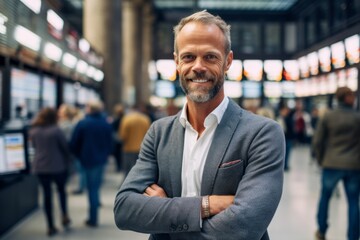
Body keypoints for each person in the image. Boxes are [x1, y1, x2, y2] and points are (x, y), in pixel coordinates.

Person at [114, 10, 285, 239]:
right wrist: (205, 206)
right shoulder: (159, 133)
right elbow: (125, 209)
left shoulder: (262, 133)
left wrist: (167, 212)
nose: (198, 66)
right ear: (176, 61)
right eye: (188, 57)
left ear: (228, 61)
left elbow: (245, 226)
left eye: (210, 57)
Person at [312, 86, 360, 240]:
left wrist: (320, 159)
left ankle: (322, 230)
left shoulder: (328, 116)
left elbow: (318, 141)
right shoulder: (357, 118)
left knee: (325, 197)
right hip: (353, 165)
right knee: (353, 201)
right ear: (346, 98)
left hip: (331, 163)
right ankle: (353, 236)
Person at [29, 107, 72, 236]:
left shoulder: (34, 131)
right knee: (61, 192)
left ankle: (50, 225)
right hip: (57, 166)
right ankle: (64, 215)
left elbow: (34, 147)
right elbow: (64, 147)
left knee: (47, 196)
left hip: (41, 167)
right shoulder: (56, 130)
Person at [70, 100, 113, 227]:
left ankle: (93, 218)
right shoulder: (105, 123)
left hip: (87, 159)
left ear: (90, 109)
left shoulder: (83, 123)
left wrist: (79, 155)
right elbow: (110, 142)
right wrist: (106, 155)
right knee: (96, 186)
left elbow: (74, 142)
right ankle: (95, 210)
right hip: (100, 159)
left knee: (91, 189)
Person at [118, 105, 151, 176]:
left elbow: (123, 135)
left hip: (128, 149)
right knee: (140, 172)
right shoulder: (145, 119)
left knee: (128, 171)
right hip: (142, 149)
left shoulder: (126, 119)